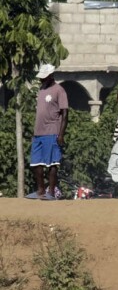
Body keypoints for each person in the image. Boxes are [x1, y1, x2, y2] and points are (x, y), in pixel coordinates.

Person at [28, 64, 68, 200]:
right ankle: (40, 190)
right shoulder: (41, 89)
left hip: (52, 131)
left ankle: (51, 192)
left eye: (44, 78)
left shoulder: (59, 90)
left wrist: (61, 134)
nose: (41, 80)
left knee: (52, 163)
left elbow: (64, 113)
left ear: (51, 76)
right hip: (38, 132)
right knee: (35, 163)